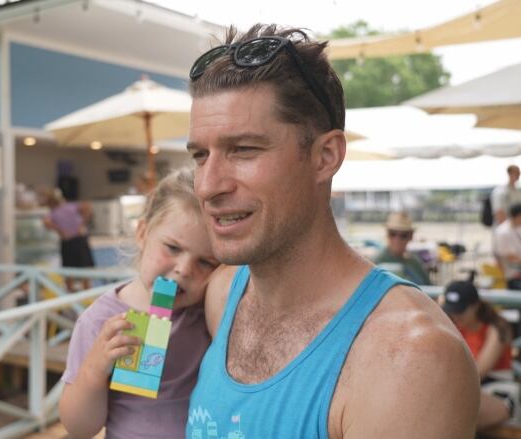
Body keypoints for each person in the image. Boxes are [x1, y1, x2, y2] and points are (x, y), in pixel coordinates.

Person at [184, 24, 479, 437]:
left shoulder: (407, 357)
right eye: (201, 155)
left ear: (325, 156)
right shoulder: (222, 294)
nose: (208, 185)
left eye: (244, 150)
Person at [58, 169, 219, 438]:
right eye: (173, 248)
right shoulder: (100, 321)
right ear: (143, 233)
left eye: (206, 262)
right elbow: (79, 428)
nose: (184, 269)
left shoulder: (208, 313)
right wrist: (94, 369)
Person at [441, 280, 514, 430]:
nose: (455, 314)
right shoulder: (452, 325)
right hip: (465, 390)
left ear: (475, 305)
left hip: (496, 391)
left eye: (460, 310)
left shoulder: (496, 328)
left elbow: (478, 372)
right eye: (451, 309)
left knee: (450, 410)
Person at [43, 188, 95, 292]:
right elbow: (88, 207)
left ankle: (72, 293)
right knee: (82, 269)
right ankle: (86, 293)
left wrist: (60, 230)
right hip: (78, 239)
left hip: (70, 241)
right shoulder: (69, 207)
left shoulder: (55, 211)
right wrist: (82, 225)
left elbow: (46, 223)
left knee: (70, 270)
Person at [373, 211, 431, 285]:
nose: (397, 240)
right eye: (393, 234)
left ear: (411, 236)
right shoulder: (377, 262)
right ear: (387, 234)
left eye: (404, 235)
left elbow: (429, 287)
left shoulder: (414, 262)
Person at [495, 203, 521, 289]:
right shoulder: (503, 232)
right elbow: (510, 257)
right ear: (518, 216)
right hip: (512, 275)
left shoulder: (517, 227)